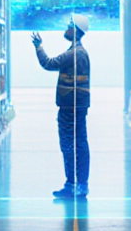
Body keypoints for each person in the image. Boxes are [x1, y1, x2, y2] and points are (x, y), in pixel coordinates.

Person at [32, 14, 91, 199]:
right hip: (76, 106)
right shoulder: (79, 52)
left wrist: (39, 47)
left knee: (70, 144)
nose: (66, 28)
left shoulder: (74, 54)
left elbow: (48, 63)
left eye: (69, 26)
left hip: (70, 107)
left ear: (75, 31)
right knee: (78, 143)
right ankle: (76, 184)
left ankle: (75, 184)